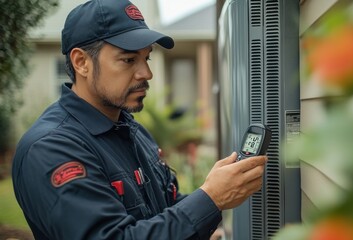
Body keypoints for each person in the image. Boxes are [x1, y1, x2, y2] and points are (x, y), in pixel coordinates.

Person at [11, 0, 267, 239]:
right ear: (82, 63)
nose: (147, 73)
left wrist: (207, 211)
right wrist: (210, 199)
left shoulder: (131, 130)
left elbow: (162, 209)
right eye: (128, 60)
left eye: (146, 58)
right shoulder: (51, 148)